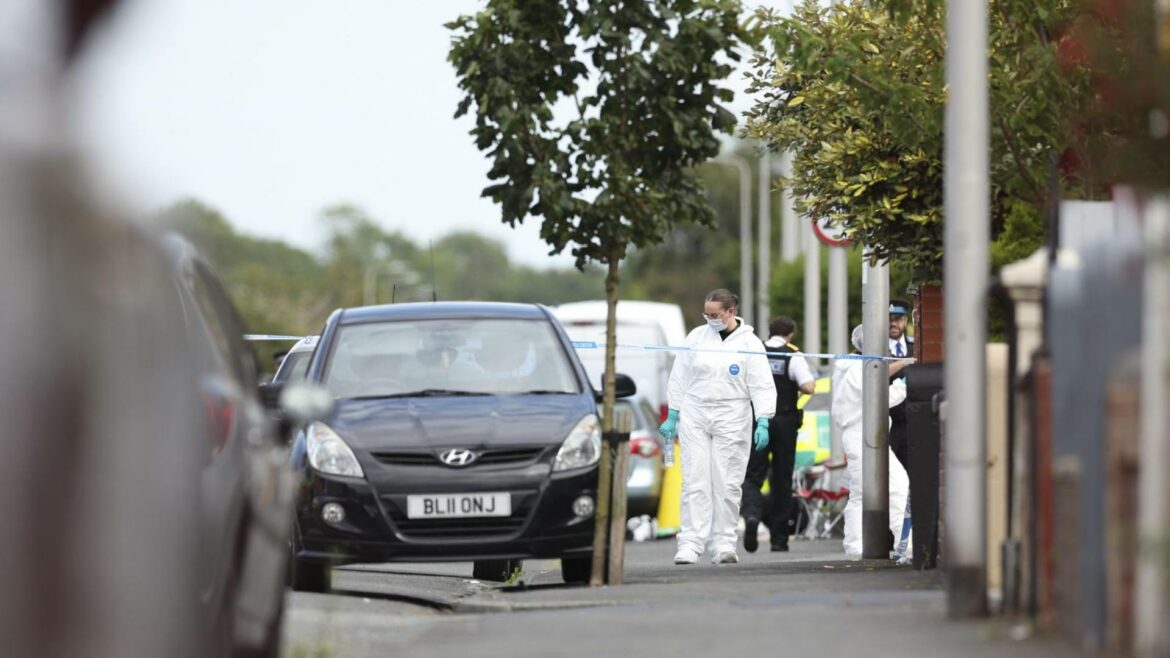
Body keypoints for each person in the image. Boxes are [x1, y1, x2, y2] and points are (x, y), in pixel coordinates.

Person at [658, 289, 777, 565]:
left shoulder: (749, 343)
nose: (709, 319)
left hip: (732, 414)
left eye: (714, 315)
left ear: (730, 312)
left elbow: (761, 384)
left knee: (727, 482)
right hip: (695, 411)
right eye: (706, 314)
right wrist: (673, 413)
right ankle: (690, 543)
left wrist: (763, 419)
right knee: (694, 480)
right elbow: (679, 377)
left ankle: (723, 542)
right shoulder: (696, 338)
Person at [832, 324, 914, 558]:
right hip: (862, 435)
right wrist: (903, 385)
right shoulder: (856, 369)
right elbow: (877, 399)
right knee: (873, 490)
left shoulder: (853, 366)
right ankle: (862, 545)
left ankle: (900, 541)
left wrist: (903, 369)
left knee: (890, 486)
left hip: (867, 434)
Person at [741, 316, 815, 553]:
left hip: (758, 421)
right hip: (784, 422)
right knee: (782, 479)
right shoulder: (793, 355)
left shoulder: (756, 352)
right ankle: (779, 538)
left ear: (769, 331)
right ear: (790, 334)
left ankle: (752, 515)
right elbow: (808, 386)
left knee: (752, 475)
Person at [887, 299, 914, 469]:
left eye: (897, 319)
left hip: (912, 420)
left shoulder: (915, 345)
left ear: (905, 320)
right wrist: (904, 362)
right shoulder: (877, 349)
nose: (893, 324)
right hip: (888, 422)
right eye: (889, 319)